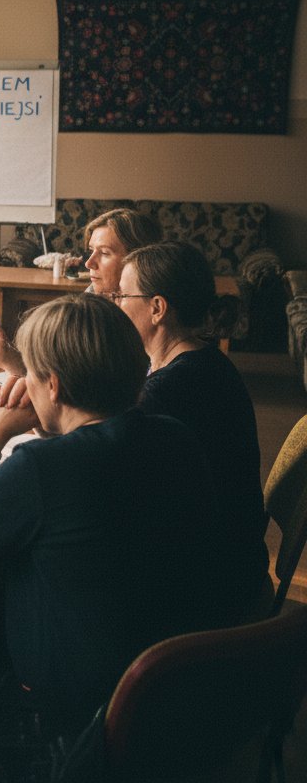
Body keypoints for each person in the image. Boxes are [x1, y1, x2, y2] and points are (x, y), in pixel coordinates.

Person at [0, 294, 228, 765]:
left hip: (70, 723)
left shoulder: (41, 467)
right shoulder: (177, 437)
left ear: (54, 385)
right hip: (176, 690)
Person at [116, 240, 269, 615]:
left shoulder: (167, 390)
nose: (116, 305)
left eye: (122, 295)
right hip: (235, 564)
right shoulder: (206, 361)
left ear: (157, 308)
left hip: (205, 591)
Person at [0, 205, 162, 374]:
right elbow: (61, 371)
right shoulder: (94, 294)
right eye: (91, 251)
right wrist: (9, 358)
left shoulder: (145, 319)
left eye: (104, 253)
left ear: (137, 259)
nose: (89, 263)